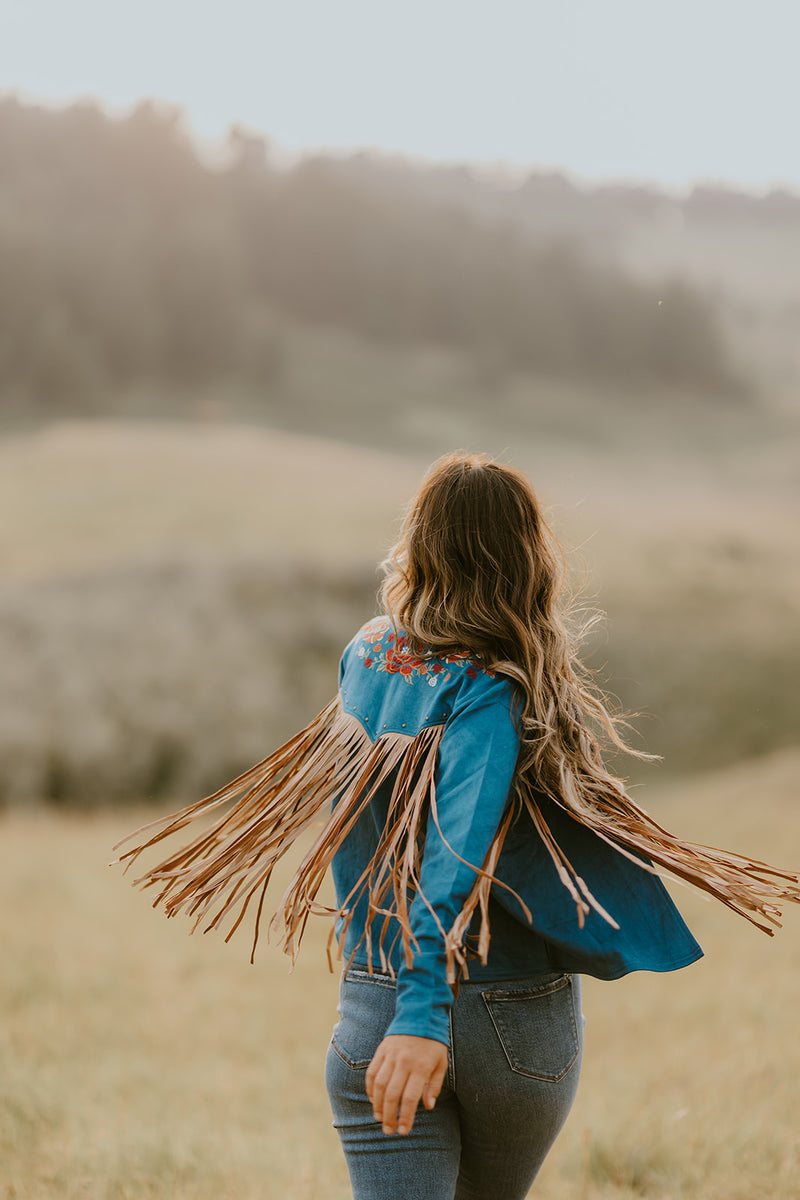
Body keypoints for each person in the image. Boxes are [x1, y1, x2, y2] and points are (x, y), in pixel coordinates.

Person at [115, 452, 799, 1200]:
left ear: (420, 546)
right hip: (495, 1024)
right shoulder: (498, 695)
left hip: (375, 1010)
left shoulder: (366, 655)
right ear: (528, 560)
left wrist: (406, 1013)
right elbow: (452, 853)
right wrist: (423, 1014)